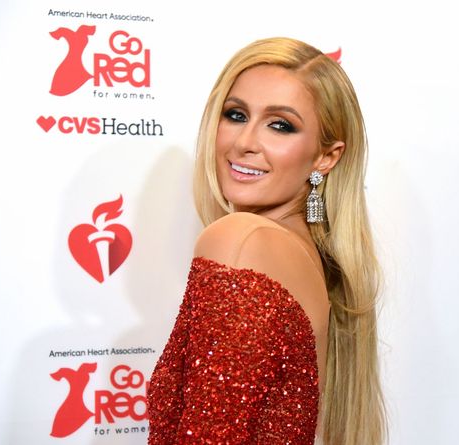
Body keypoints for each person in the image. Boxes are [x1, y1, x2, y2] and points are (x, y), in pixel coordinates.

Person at [147, 37, 386, 445]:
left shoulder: (243, 241)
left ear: (326, 157)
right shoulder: (302, 254)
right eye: (236, 115)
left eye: (280, 125)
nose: (244, 142)